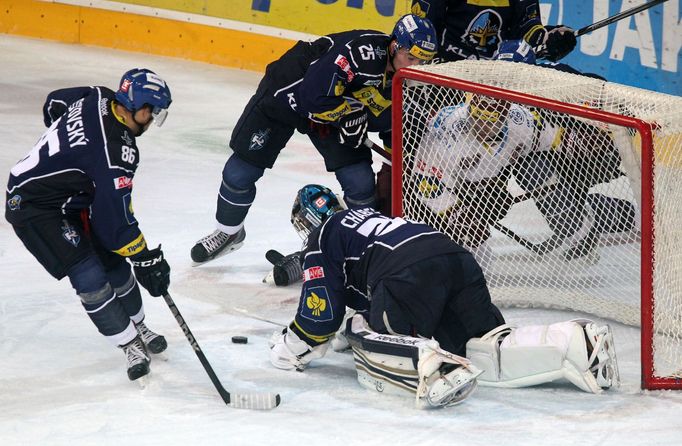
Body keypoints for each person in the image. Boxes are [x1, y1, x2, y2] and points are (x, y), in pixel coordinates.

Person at [268, 184, 619, 408]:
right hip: (456, 260)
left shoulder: (323, 236)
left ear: (310, 220)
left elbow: (321, 316)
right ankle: (574, 343)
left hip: (410, 274)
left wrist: (291, 345)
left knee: (365, 332)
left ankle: (431, 364)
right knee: (485, 344)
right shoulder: (367, 219)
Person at [190, 14, 438, 264]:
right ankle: (229, 232)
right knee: (239, 173)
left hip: (332, 112)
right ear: (395, 46)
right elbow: (312, 96)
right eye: (411, 58)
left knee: (360, 184)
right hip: (287, 97)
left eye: (422, 61)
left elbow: (393, 128)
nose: (415, 67)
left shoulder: (405, 82)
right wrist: (348, 116)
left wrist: (403, 165)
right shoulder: (361, 54)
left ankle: (361, 254)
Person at [5, 69, 173, 381]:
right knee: (89, 274)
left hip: (72, 193)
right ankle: (129, 343)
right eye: (154, 113)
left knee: (112, 260)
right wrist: (144, 256)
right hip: (33, 206)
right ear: (143, 108)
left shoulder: (98, 95)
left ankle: (139, 326)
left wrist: (70, 156)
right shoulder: (116, 154)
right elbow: (115, 223)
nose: (151, 122)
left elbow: (54, 103)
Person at [409, 40, 636, 266]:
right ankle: (602, 213)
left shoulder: (557, 85)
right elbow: (426, 180)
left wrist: (595, 140)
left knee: (533, 168)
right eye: (500, 76)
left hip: (587, 160)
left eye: (512, 78)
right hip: (493, 169)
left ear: (531, 73)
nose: (503, 86)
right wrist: (460, 211)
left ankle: (577, 227)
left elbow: (602, 103)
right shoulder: (474, 116)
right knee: (489, 201)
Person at [410, 0, 577, 62]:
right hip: (445, 70)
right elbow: (424, 30)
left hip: (493, 77)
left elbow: (527, 31)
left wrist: (549, 40)